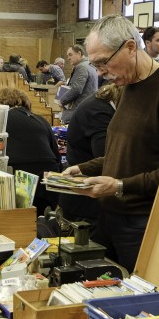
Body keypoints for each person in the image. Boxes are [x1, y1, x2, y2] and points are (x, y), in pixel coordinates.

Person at [63, 14, 159, 272]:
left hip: (142, 224)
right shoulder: (128, 86)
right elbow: (124, 154)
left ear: (130, 47)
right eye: (96, 65)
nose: (102, 73)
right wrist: (84, 169)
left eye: (104, 62)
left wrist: (119, 185)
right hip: (110, 218)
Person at [58, 83, 123, 233]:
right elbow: (107, 158)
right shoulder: (100, 113)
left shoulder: (98, 104)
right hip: (86, 203)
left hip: (82, 195)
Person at [0, 87, 62, 216]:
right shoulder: (41, 120)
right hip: (47, 175)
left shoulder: (1, 119)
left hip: (16, 172)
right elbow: (56, 155)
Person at [59, 44, 98, 124]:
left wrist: (62, 100)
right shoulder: (89, 65)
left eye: (70, 55)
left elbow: (76, 88)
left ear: (79, 54)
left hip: (78, 111)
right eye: (67, 56)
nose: (68, 58)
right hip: (87, 109)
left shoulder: (81, 67)